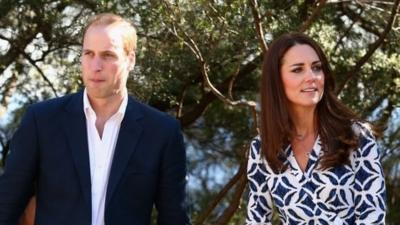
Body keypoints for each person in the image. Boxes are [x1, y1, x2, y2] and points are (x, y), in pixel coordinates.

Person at [0, 13, 190, 225]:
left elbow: (175, 218)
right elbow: (7, 204)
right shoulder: (42, 121)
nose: (95, 65)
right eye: (89, 53)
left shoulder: (162, 132)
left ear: (131, 59)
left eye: (107, 55)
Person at [246, 32, 386, 225]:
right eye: (297, 70)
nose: (311, 77)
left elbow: (373, 217)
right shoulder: (263, 148)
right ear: (276, 80)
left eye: (317, 68)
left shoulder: (356, 136)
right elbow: (256, 220)